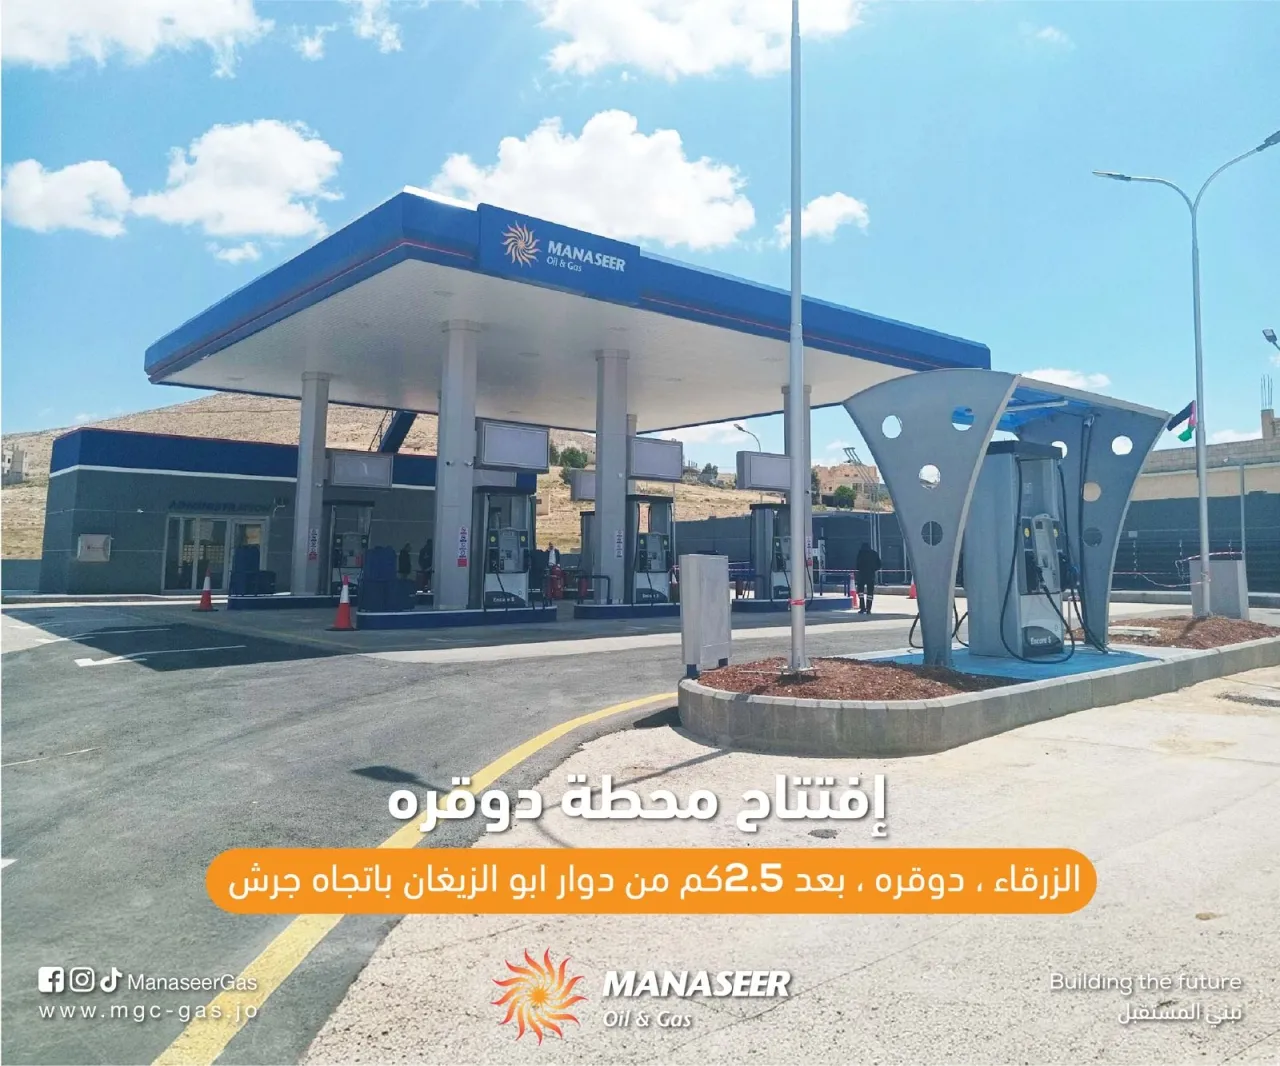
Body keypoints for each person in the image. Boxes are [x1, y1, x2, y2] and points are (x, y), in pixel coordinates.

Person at [855, 542, 881, 615]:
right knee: (870, 593)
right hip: (871, 576)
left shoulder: (861, 553)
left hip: (861, 576)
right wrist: (873, 569)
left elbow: (857, 565)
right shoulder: (874, 554)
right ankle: (868, 609)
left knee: (860, 592)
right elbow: (879, 565)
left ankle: (862, 608)